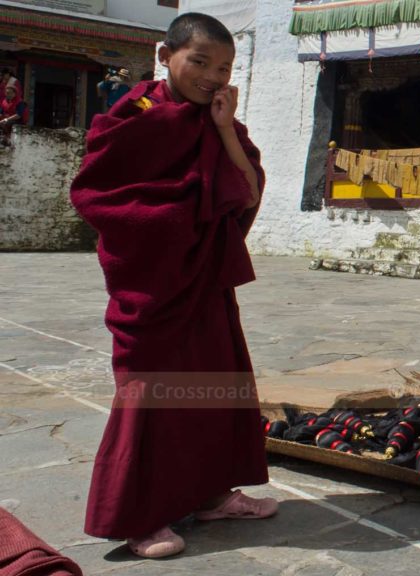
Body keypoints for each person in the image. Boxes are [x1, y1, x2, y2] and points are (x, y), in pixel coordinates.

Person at [69, 13, 274, 559]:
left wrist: (227, 129)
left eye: (224, 67)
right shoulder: (135, 116)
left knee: (213, 384)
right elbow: (97, 194)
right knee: (151, 393)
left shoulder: (217, 119)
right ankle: (138, 520)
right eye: (199, 62)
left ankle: (212, 494)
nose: (212, 76)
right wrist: (176, 218)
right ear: (166, 56)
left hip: (203, 277)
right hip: (156, 281)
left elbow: (248, 191)